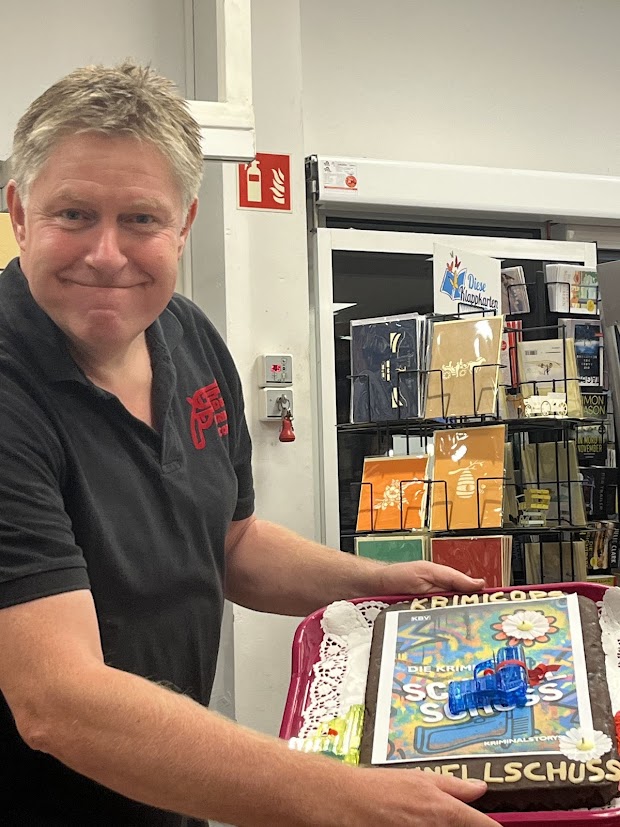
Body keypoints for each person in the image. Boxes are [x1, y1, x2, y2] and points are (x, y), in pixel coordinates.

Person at [0, 62, 497, 827]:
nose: (106, 253)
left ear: (184, 225)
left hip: (170, 797)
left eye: (141, 219)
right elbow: (58, 701)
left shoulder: (188, 336)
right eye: (73, 213)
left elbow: (231, 542)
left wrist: (379, 585)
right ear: (19, 212)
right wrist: (342, 796)